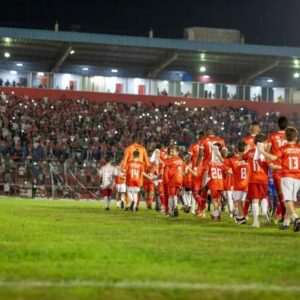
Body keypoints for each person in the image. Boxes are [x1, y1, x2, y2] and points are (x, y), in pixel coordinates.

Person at [258, 126, 300, 231]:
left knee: (288, 200)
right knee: (291, 201)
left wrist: (262, 151)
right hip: (298, 177)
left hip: (287, 176)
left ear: (285, 137)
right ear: (295, 137)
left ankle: (296, 219)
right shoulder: (299, 148)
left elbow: (273, 158)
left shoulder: (284, 148)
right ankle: (286, 224)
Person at [243, 134, 280, 227]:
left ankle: (256, 221)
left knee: (255, 200)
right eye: (266, 142)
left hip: (253, 179)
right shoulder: (265, 154)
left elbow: (243, 156)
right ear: (262, 143)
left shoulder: (250, 152)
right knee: (264, 197)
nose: (267, 143)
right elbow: (272, 166)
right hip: (263, 179)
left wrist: (247, 149)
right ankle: (264, 212)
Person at [267, 116, 288, 223]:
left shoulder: (272, 136)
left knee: (280, 193)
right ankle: (283, 214)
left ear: (277, 125)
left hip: (277, 168)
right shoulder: (289, 136)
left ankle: (286, 215)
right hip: (287, 168)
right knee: (286, 194)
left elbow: (267, 149)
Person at [202, 143, 227, 221]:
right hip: (221, 182)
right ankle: (217, 213)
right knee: (218, 199)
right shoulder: (221, 161)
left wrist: (203, 182)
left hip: (214, 182)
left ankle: (217, 214)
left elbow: (206, 172)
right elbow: (226, 171)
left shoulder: (209, 160)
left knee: (214, 199)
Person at [229, 142, 251, 224]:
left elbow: (225, 164)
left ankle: (241, 217)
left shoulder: (233, 159)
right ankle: (242, 216)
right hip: (247, 183)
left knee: (238, 201)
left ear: (236, 150)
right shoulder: (249, 159)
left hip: (238, 184)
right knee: (243, 201)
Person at [164, 145, 186, 217]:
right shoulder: (181, 160)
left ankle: (170, 212)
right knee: (175, 195)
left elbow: (166, 171)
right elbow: (185, 169)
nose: (171, 153)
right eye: (171, 151)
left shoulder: (169, 160)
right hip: (180, 180)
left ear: (177, 152)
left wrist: (166, 179)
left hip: (172, 180)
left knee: (170, 196)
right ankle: (175, 207)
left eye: (173, 151)